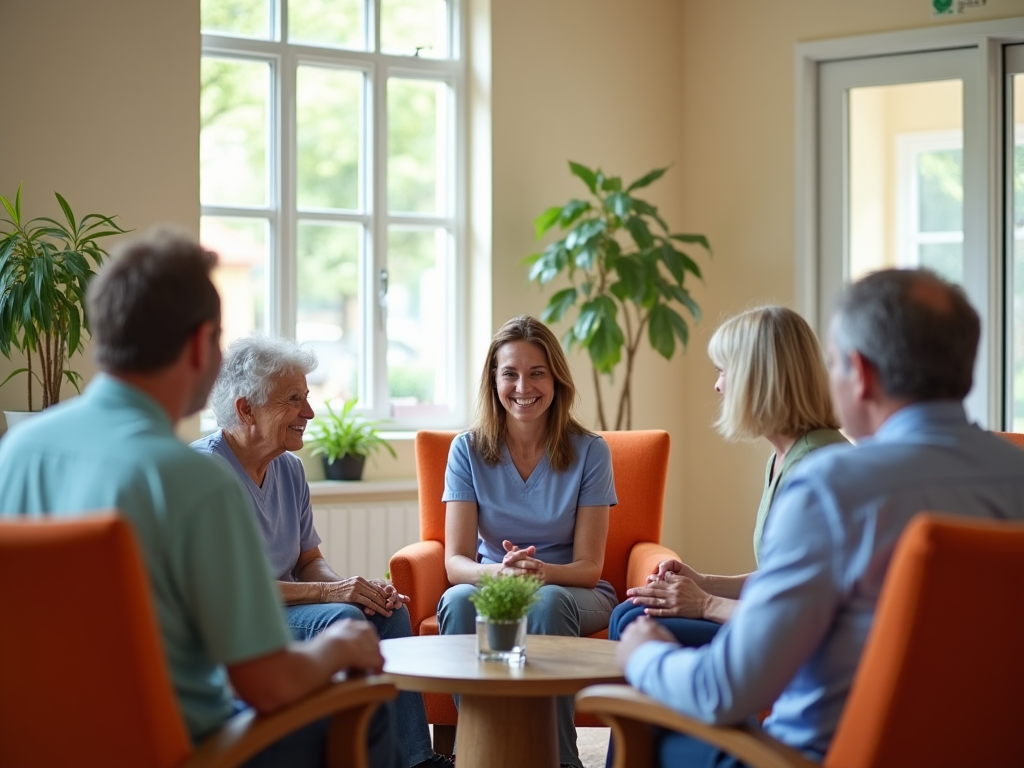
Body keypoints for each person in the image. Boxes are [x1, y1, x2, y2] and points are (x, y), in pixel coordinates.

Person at [0, 228, 401, 768]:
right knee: (364, 706)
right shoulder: (191, 480)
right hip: (186, 746)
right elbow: (269, 685)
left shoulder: (18, 452)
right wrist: (341, 647)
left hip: (44, 744)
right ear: (197, 346)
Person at [616, 268, 1024, 766]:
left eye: (833, 364)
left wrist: (643, 656)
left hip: (808, 757)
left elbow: (722, 692)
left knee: (643, 714)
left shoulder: (835, 487)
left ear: (862, 374)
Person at [191, 333, 452, 768]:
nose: (309, 412)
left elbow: (309, 561)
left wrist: (357, 588)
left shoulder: (289, 469)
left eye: (307, 397)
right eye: (293, 399)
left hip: (288, 610)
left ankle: (413, 760)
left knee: (387, 611)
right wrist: (333, 596)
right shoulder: (205, 473)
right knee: (344, 619)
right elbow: (228, 590)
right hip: (238, 619)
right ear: (245, 408)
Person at [437, 314, 618, 768]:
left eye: (536, 372)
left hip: (571, 588)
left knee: (547, 601)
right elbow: (456, 561)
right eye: (510, 374)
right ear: (493, 381)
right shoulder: (467, 449)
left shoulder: (590, 451)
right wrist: (498, 573)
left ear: (555, 378)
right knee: (458, 601)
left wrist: (540, 572)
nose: (523, 386)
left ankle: (558, 758)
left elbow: (589, 567)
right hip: (492, 580)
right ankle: (482, 749)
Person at [608, 306, 847, 646]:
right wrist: (702, 581)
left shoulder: (816, 468)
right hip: (777, 623)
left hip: (798, 645)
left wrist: (704, 603)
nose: (717, 386)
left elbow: (800, 610)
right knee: (627, 612)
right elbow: (780, 577)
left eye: (723, 371)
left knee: (636, 622)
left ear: (757, 378)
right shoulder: (785, 456)